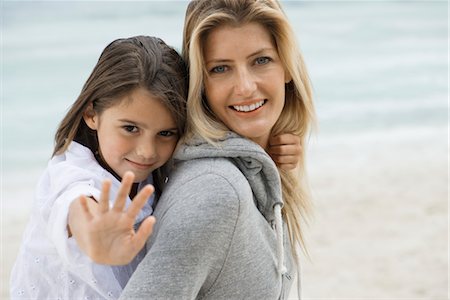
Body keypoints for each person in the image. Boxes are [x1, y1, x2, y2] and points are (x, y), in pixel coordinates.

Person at [118, 0, 315, 298]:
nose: (246, 86)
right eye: (220, 69)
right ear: (200, 84)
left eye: (261, 60)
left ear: (287, 67)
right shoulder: (216, 191)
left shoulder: (254, 171)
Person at [10, 35, 188, 299]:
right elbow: (78, 206)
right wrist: (94, 236)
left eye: (166, 133)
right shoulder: (71, 174)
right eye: (130, 128)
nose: (147, 151)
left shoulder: (153, 174)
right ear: (91, 114)